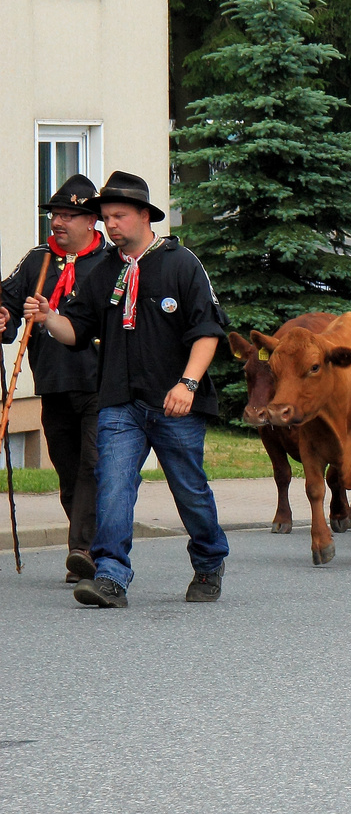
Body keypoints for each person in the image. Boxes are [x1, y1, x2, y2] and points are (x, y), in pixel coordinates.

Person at [25, 172, 228, 607]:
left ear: (144, 216)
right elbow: (75, 330)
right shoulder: (103, 271)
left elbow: (207, 331)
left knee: (189, 490)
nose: (110, 225)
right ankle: (110, 576)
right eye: (105, 217)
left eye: (118, 216)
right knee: (112, 485)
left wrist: (188, 383)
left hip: (175, 404)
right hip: (120, 403)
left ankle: (209, 560)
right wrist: (48, 317)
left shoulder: (181, 264)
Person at [1, 175, 114, 584]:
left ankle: (82, 549)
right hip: (53, 382)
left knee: (93, 465)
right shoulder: (37, 260)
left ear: (92, 221)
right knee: (68, 472)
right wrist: (5, 317)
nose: (58, 223)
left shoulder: (112, 262)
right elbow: (7, 302)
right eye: (55, 215)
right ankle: (89, 548)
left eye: (69, 215)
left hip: (101, 384)